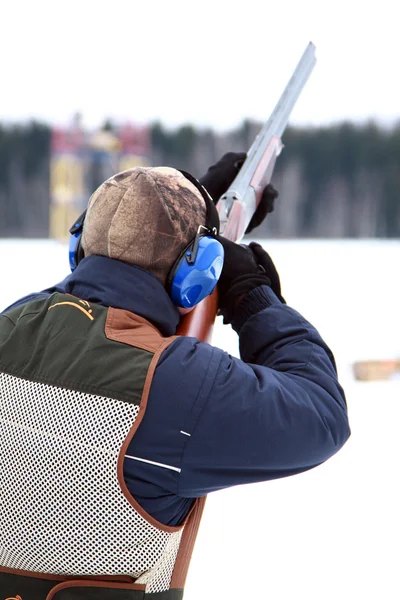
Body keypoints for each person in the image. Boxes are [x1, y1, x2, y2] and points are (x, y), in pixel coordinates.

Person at [0, 153, 350, 599]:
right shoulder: (175, 383)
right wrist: (254, 299)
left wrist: (170, 220)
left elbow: (81, 298)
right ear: (196, 274)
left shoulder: (10, 326)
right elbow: (321, 414)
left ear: (80, 248)